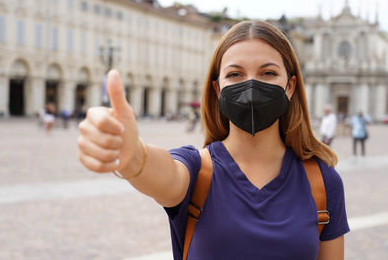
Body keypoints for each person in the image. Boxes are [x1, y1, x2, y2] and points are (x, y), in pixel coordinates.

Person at [77, 20, 349, 259]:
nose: (251, 84)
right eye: (235, 74)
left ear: (290, 86)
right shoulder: (198, 171)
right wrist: (133, 157)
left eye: (267, 73)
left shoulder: (323, 183)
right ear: (218, 89)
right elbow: (166, 173)